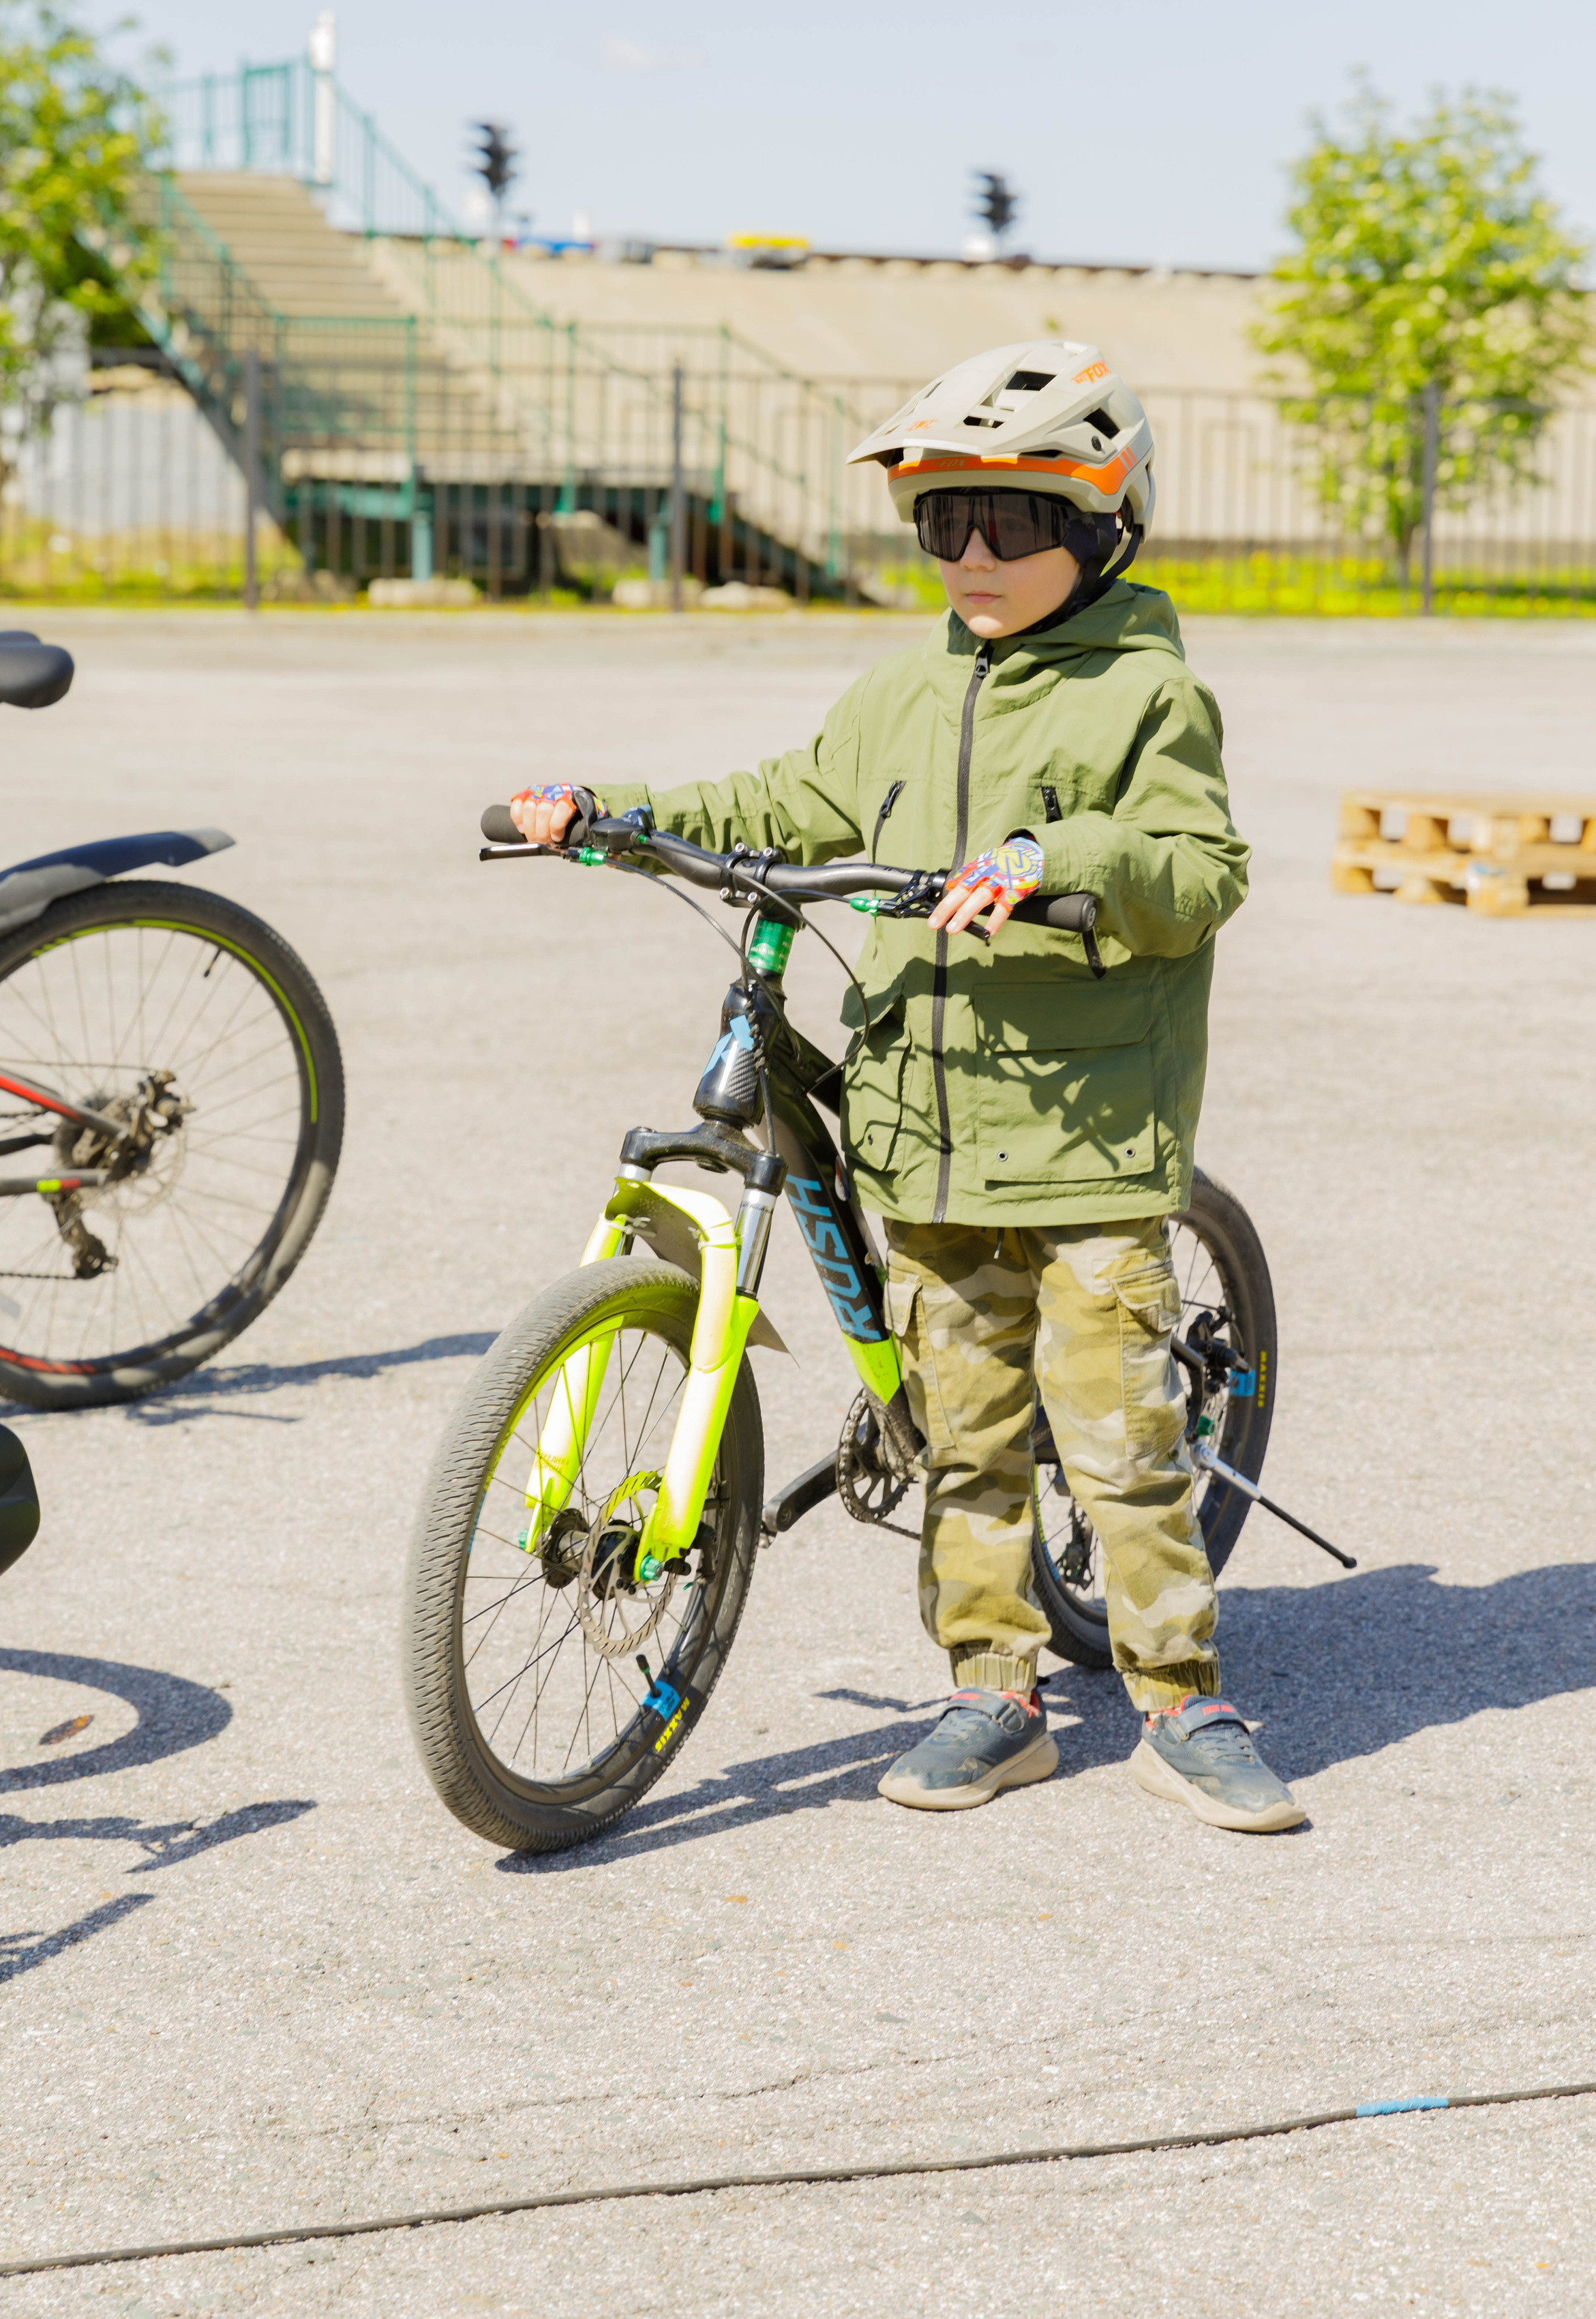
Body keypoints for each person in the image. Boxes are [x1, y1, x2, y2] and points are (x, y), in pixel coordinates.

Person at [510, 341, 1303, 1836]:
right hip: (922, 1139)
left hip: (1079, 1142)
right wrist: (611, 812)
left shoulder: (1146, 694)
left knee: (1123, 1447)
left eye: (1014, 521)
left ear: (1101, 528)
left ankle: (1180, 1700)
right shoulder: (898, 692)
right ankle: (994, 1694)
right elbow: (779, 799)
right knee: (964, 1441)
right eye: (944, 521)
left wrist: (1054, 860)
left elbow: (1199, 871)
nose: (973, 555)